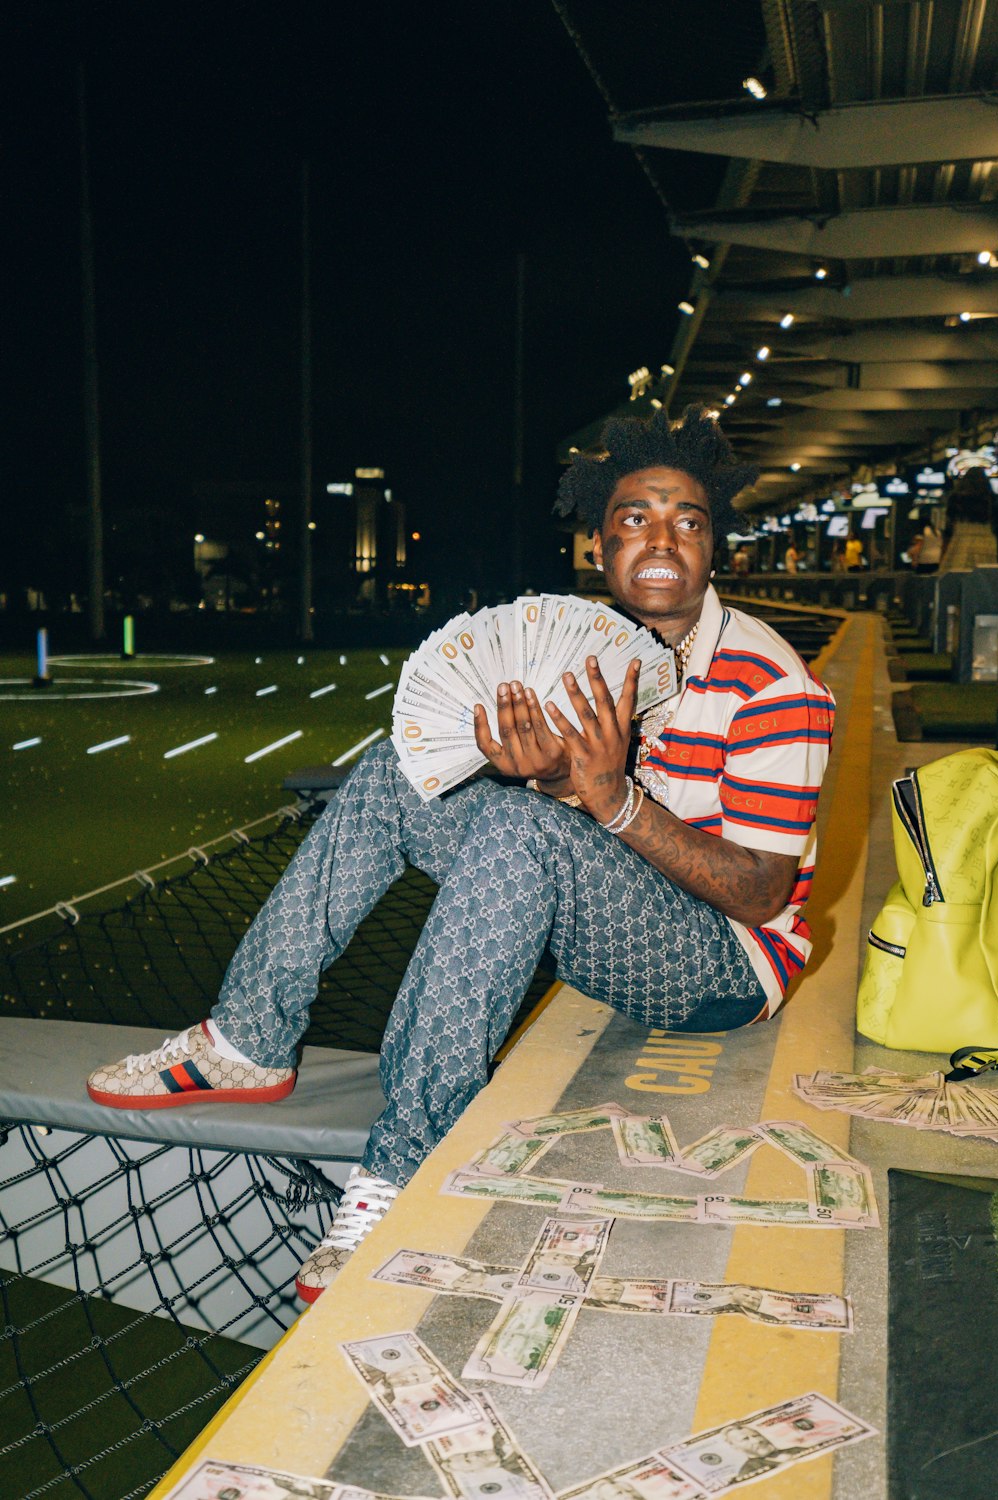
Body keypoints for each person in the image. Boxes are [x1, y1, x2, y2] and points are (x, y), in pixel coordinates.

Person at [87, 406, 835, 1302]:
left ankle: (398, 1167)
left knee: (527, 830)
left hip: (726, 965)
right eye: (635, 518)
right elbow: (570, 840)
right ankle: (249, 1037)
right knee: (402, 774)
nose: (662, 538)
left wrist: (606, 799)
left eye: (689, 520)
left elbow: (758, 893)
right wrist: (550, 781)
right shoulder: (590, 658)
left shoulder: (774, 683)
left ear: (715, 549)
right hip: (623, 915)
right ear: (599, 548)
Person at [939, 468, 998, 572]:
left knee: (958, 577)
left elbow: (949, 525)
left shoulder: (956, 498)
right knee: (986, 578)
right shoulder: (991, 499)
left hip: (961, 541)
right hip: (987, 542)